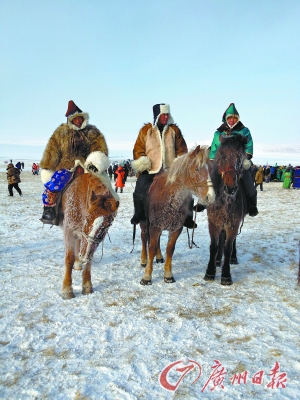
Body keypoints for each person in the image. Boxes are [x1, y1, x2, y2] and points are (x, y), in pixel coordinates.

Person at [39, 100, 109, 224]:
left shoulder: (92, 132)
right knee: (54, 184)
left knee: (103, 186)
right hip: (67, 165)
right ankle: (49, 210)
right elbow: (53, 149)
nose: (78, 121)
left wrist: (96, 161)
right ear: (70, 119)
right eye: (75, 119)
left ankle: (107, 210)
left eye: (80, 118)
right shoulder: (61, 132)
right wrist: (48, 166)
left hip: (88, 165)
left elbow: (99, 147)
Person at [131, 103, 196, 228]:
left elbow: (182, 149)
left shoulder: (174, 130)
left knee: (187, 190)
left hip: (171, 170)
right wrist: (143, 163)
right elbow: (138, 149)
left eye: (167, 114)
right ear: (157, 115)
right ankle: (139, 214)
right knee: (140, 187)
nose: (166, 117)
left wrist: (179, 164)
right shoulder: (146, 130)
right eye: (163, 115)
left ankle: (188, 218)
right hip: (151, 169)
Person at [196, 103, 258, 216]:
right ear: (226, 119)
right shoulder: (218, 133)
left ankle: (252, 205)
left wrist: (246, 158)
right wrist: (211, 160)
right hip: (221, 162)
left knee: (248, 180)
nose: (232, 120)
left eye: (234, 118)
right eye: (230, 118)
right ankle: (203, 201)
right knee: (210, 178)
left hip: (239, 162)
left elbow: (249, 146)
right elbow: (214, 148)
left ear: (237, 119)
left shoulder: (244, 131)